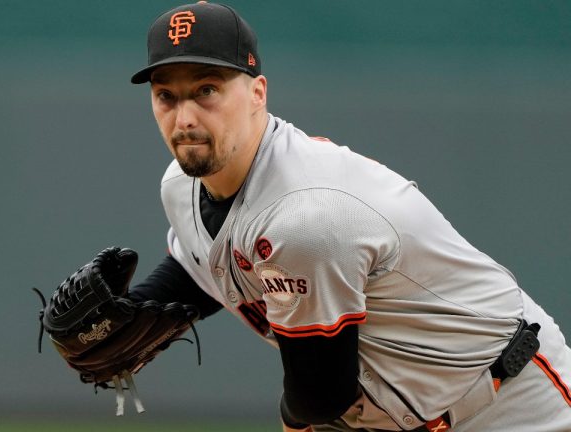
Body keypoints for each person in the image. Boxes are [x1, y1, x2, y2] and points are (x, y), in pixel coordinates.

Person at [120, 2, 571, 431]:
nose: (185, 118)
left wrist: (296, 418)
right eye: (166, 96)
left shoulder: (306, 213)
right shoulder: (182, 187)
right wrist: (126, 316)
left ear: (258, 92)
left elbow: (319, 396)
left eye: (206, 90)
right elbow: (203, 263)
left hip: (512, 403)